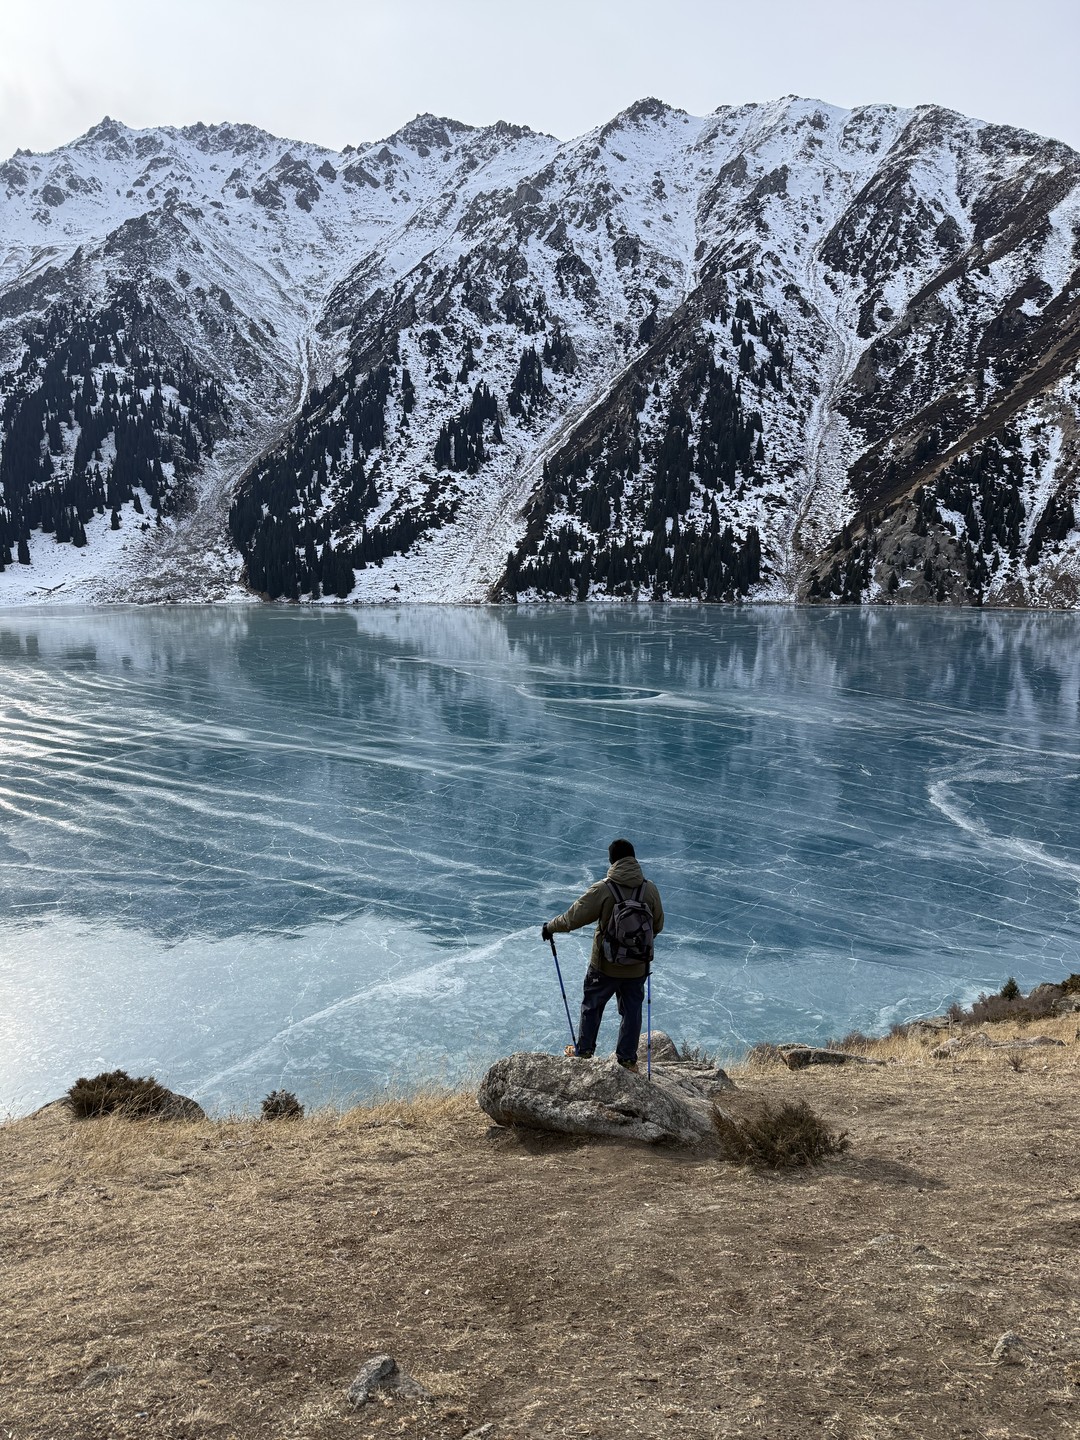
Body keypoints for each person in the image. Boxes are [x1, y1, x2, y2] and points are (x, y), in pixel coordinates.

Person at [541, 838, 664, 1071]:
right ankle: (627, 1060)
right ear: (634, 859)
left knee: (592, 1005)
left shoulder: (604, 889)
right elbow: (658, 925)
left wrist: (550, 927)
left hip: (604, 965)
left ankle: (584, 1052)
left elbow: (572, 918)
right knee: (632, 1011)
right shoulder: (650, 890)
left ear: (611, 860)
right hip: (637, 967)